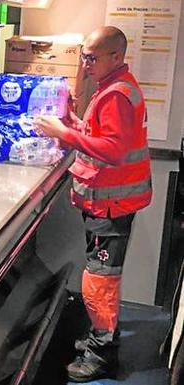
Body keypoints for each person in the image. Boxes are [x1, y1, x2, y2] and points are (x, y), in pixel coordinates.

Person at [34, 26, 152, 382]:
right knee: (100, 278)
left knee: (100, 282)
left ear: (116, 57)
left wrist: (62, 133)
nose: (85, 64)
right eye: (83, 55)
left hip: (111, 207)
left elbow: (113, 151)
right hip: (109, 204)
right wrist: (71, 122)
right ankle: (100, 338)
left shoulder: (117, 94)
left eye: (91, 57)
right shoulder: (111, 87)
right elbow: (99, 135)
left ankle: (101, 355)